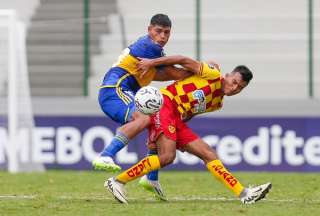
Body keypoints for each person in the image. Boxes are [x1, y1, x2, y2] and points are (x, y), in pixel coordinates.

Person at [104, 55, 272, 204]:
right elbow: (183, 60)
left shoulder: (217, 103)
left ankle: (244, 194)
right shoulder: (212, 74)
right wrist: (152, 62)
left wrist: (180, 138)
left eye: (240, 87)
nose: (235, 88)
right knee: (167, 156)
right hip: (165, 103)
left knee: (209, 154)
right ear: (227, 76)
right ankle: (118, 181)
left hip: (176, 118)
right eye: (234, 82)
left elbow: (191, 112)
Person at [92, 14, 191, 200]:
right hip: (115, 89)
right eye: (158, 31)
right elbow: (174, 68)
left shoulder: (150, 56)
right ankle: (105, 155)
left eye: (167, 33)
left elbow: (167, 74)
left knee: (155, 122)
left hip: (121, 91)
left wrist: (192, 72)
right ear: (149, 30)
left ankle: (151, 178)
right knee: (143, 118)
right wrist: (202, 69)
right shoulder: (149, 46)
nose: (162, 36)